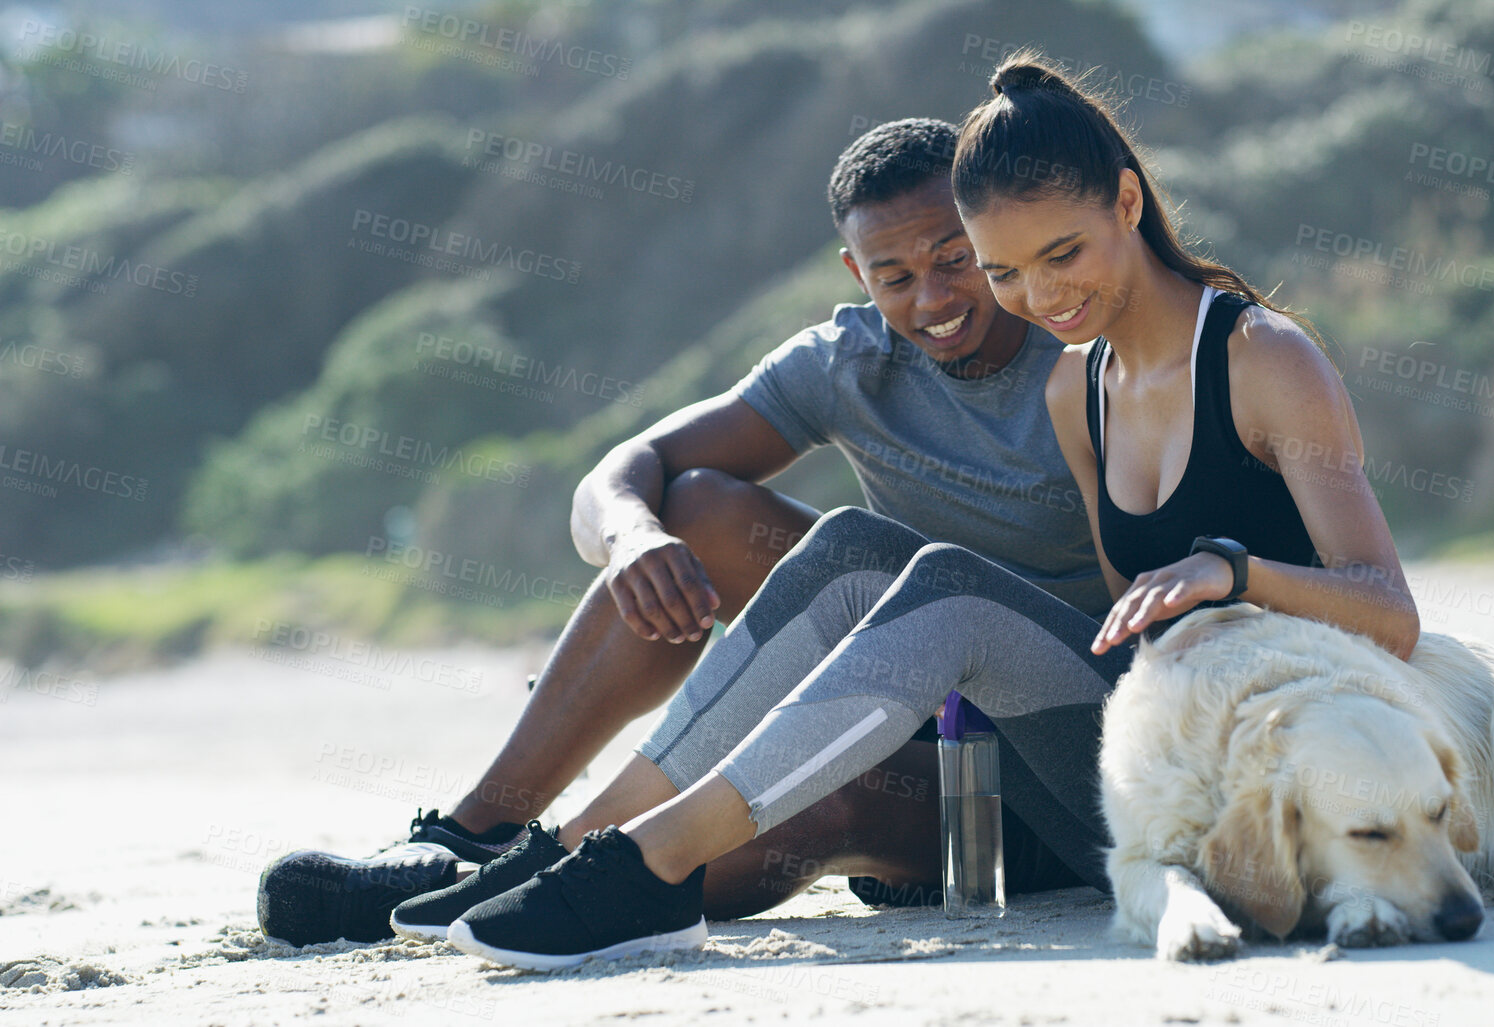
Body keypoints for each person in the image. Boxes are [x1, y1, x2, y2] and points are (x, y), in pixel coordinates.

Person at [432, 53, 1420, 971]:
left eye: (1061, 253)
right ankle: (572, 849)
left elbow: (1392, 613)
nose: (1039, 295)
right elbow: (1128, 645)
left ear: (1128, 201)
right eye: (1008, 272)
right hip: (1138, 768)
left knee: (949, 585)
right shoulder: (1081, 387)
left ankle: (646, 866)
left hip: (1263, 766)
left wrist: (1232, 573)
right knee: (854, 545)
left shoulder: (1264, 357)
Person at [258, 117, 1108, 945]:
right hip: (918, 709)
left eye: (954, 260)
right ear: (856, 271)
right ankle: (472, 846)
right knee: (696, 510)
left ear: (993, 234)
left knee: (809, 804)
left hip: (1046, 769)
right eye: (893, 275)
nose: (932, 299)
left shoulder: (1081, 348)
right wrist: (632, 538)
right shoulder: (847, 361)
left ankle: (578, 875)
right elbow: (625, 469)